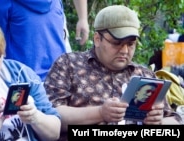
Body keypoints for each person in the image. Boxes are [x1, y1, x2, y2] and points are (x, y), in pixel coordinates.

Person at [44, 5, 182, 141]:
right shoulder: (69, 64)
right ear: (97, 39)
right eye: (117, 43)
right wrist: (100, 113)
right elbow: (50, 116)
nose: (125, 51)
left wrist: (159, 122)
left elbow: (175, 121)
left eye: (131, 44)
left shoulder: (144, 75)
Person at [0, 0, 89, 81]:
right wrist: (83, 18)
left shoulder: (3, 2)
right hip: (59, 75)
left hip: (23, 79)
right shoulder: (55, 2)